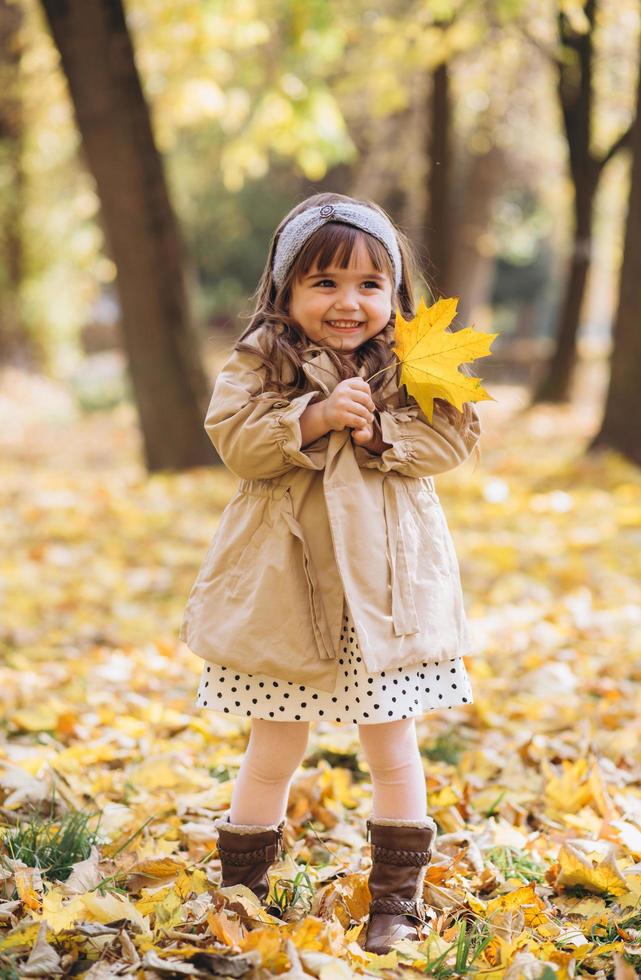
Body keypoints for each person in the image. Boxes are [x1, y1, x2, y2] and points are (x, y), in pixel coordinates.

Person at [179, 192, 482, 954]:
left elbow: (454, 438)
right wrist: (309, 418)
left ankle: (396, 901)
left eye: (369, 284)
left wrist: (383, 431)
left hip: (386, 594)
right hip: (291, 590)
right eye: (324, 283)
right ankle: (243, 892)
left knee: (393, 744)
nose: (349, 302)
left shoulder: (411, 363)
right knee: (274, 743)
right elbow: (236, 441)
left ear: (395, 293)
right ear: (285, 291)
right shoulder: (259, 359)